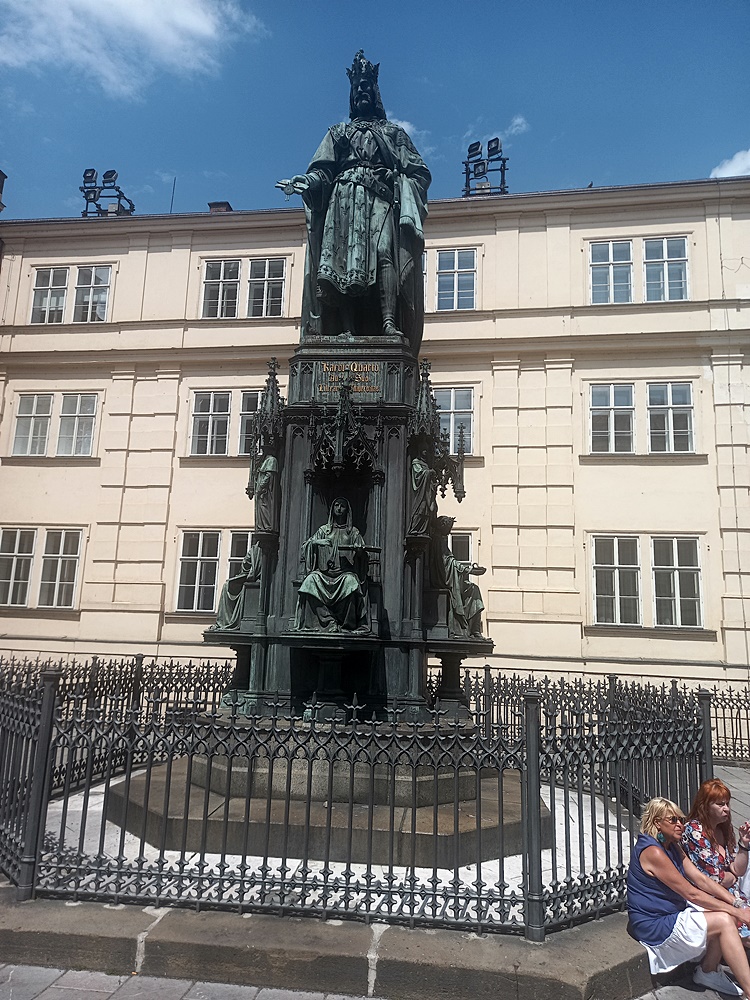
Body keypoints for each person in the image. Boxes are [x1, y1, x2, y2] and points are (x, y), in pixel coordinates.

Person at [278, 50, 431, 350]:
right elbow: (322, 171)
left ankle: (388, 322)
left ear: (375, 92)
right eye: (357, 87)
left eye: (366, 86)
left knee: (385, 252)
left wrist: (397, 179)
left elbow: (419, 173)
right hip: (343, 203)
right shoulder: (338, 133)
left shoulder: (393, 134)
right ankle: (345, 328)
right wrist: (306, 182)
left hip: (380, 199)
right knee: (343, 263)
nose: (361, 91)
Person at [627, 797, 750, 997]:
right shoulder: (653, 852)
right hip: (654, 923)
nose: (680, 825)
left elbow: (701, 880)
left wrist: (736, 904)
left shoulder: (672, 846)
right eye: (673, 820)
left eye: (681, 820)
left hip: (672, 911)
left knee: (728, 914)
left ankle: (708, 972)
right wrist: (737, 912)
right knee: (724, 920)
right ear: (657, 823)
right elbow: (691, 892)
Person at [683, 778, 750, 940]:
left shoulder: (723, 829)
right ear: (705, 806)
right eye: (720, 804)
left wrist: (743, 844)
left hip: (732, 896)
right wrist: (732, 877)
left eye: (727, 803)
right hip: (710, 899)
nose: (726, 809)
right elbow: (714, 879)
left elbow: (737, 870)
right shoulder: (694, 830)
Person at [295, 497, 369, 633]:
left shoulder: (353, 532)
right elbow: (306, 546)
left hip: (344, 573)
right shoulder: (323, 531)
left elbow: (362, 558)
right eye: (336, 505)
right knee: (310, 581)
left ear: (347, 510)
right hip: (324, 574)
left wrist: (359, 552)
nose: (339, 508)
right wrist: (316, 542)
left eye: (342, 506)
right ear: (332, 509)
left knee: (351, 582)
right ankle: (328, 621)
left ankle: (347, 625)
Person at [431, 515, 486, 638]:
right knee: (473, 590)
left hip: (450, 578)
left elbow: (449, 561)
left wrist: (468, 570)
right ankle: (469, 629)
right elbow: (447, 562)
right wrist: (469, 570)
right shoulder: (437, 540)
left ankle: (474, 629)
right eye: (449, 527)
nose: (450, 530)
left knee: (474, 589)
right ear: (442, 526)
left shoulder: (441, 539)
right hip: (443, 580)